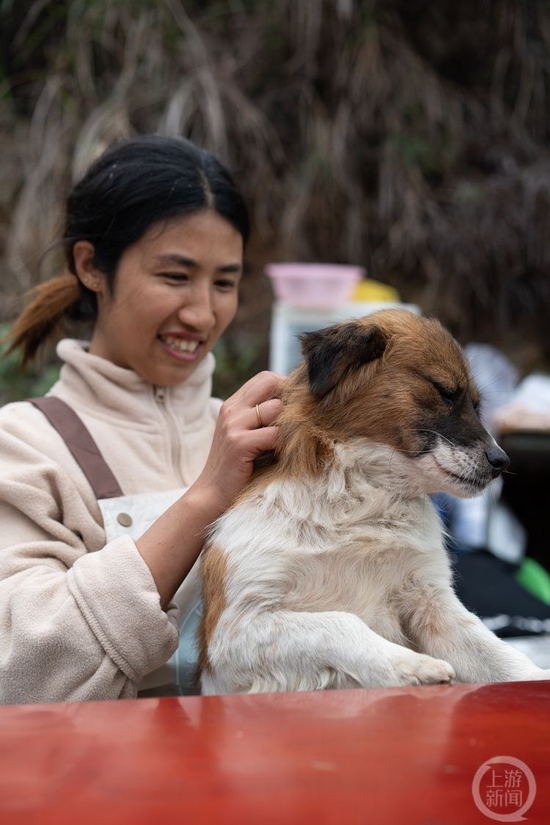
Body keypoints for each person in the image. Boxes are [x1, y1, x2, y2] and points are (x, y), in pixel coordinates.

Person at [0, 134, 284, 704]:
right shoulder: (24, 442)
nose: (203, 313)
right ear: (92, 267)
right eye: (175, 277)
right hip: (105, 788)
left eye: (224, 283)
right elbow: (18, 672)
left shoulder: (261, 436)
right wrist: (206, 497)